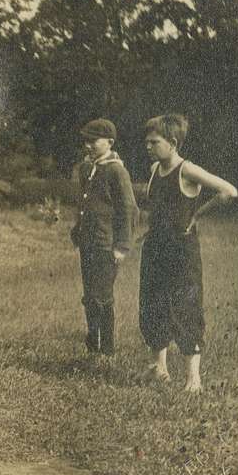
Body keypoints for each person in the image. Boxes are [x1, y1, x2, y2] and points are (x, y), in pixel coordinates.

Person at [139, 114, 238, 392]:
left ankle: (193, 379)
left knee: (185, 308)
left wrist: (198, 214)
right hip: (155, 247)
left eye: (154, 142)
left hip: (181, 251)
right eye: (146, 141)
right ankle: (159, 369)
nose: (148, 146)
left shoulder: (187, 170)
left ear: (172, 142)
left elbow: (228, 190)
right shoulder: (153, 170)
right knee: (152, 305)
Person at [70, 118, 138, 358]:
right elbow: (86, 203)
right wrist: (78, 229)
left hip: (105, 245)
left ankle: (107, 350)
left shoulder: (117, 171)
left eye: (94, 141)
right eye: (86, 140)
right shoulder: (88, 169)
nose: (88, 145)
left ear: (109, 142)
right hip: (88, 243)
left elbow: (128, 209)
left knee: (102, 296)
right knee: (89, 296)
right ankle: (93, 346)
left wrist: (121, 245)